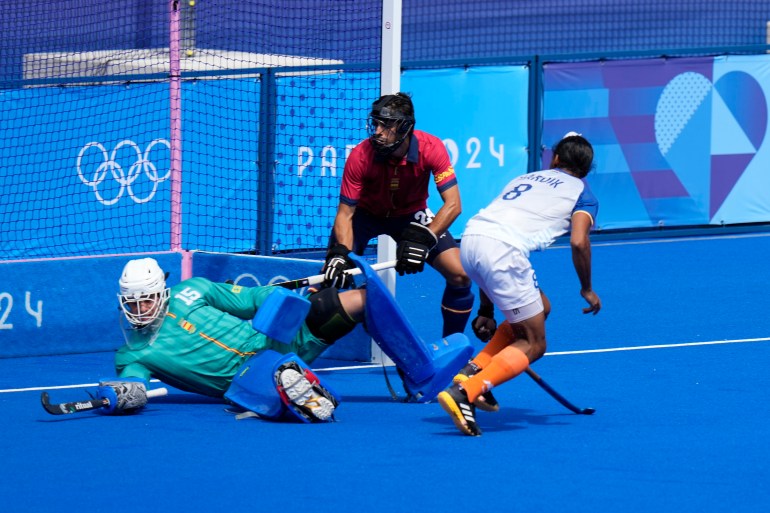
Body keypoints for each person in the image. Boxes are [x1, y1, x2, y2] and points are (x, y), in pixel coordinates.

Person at [437, 132, 602, 436]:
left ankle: (471, 372)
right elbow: (579, 242)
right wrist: (586, 288)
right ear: (586, 170)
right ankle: (468, 392)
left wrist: (486, 310)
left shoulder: (527, 179)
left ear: (555, 158)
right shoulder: (583, 193)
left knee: (542, 307)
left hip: (471, 242)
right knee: (534, 343)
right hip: (503, 252)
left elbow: (490, 249)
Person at [107, 257, 367, 422]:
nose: (141, 308)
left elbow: (251, 299)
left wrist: (283, 303)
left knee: (343, 302)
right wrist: (121, 393)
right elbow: (132, 383)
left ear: (161, 292)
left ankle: (407, 367)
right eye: (133, 303)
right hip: (247, 378)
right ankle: (293, 390)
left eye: (147, 300)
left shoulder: (194, 289)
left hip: (274, 340)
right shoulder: (132, 353)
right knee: (273, 380)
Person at [322, 92, 474, 338]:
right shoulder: (360, 155)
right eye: (376, 124)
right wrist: (340, 254)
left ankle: (452, 346)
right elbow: (345, 214)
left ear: (405, 127)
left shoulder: (431, 148)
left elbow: (454, 205)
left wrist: (424, 238)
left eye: (385, 125)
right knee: (329, 279)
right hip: (365, 216)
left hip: (411, 215)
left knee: (460, 275)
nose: (378, 131)